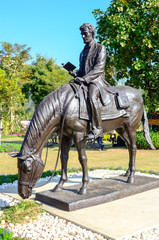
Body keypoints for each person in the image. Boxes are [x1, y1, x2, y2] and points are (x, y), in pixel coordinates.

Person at [69, 23, 107, 139]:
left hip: (96, 80)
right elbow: (82, 71)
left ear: (92, 34)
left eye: (85, 34)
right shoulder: (82, 53)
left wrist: (85, 79)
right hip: (85, 80)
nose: (83, 37)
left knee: (91, 96)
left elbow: (99, 67)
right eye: (81, 34)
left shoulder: (100, 48)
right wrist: (75, 73)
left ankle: (97, 128)